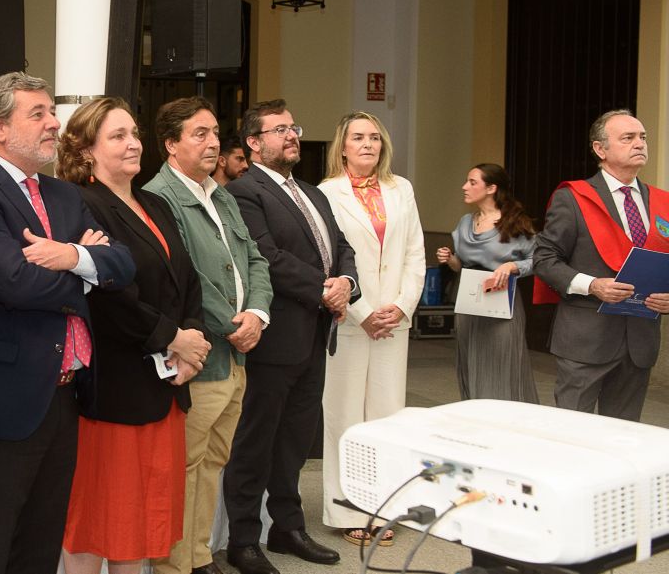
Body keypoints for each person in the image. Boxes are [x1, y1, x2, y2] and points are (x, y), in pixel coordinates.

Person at [0, 72, 134, 574]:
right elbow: (15, 283)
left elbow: (122, 264)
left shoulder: (64, 196)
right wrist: (86, 266)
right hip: (0, 398)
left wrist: (67, 256)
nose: (55, 123)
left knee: (41, 542)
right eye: (39, 114)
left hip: (65, 394)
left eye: (52, 111)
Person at [56, 96, 209, 574]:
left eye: (134, 133)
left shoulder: (154, 202)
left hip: (165, 387)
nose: (132, 143)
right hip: (114, 389)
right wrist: (171, 338)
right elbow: (105, 295)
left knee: (143, 520)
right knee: (100, 518)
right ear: (86, 150)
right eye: (117, 136)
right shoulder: (81, 203)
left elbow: (188, 279)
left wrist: (193, 341)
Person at [223, 100, 357, 574]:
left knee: (296, 440)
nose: (292, 136)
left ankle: (287, 527)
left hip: (314, 336)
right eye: (279, 130)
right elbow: (267, 256)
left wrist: (347, 284)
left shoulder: (313, 193)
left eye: (293, 127)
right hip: (274, 337)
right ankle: (243, 538)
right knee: (256, 440)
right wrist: (324, 290)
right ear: (254, 143)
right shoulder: (244, 192)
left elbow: (341, 247)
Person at [144, 96, 274, 574]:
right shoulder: (160, 197)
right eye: (199, 133)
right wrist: (233, 325)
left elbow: (255, 261)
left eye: (216, 132)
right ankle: (176, 564)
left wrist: (257, 312)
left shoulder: (220, 194)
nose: (214, 142)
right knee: (185, 468)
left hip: (236, 358)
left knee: (213, 463)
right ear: (171, 144)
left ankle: (199, 556)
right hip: (202, 360)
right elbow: (188, 276)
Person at [318, 111, 424, 546]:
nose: (368, 145)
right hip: (350, 320)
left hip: (392, 323)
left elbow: (414, 255)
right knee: (344, 416)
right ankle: (345, 510)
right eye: (358, 138)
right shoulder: (326, 193)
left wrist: (399, 307)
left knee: (386, 418)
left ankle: (382, 507)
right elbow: (330, 258)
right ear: (342, 146)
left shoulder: (403, 190)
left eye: (375, 138)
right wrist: (363, 312)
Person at [533, 110, 669, 421]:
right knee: (573, 434)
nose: (639, 143)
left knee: (622, 436)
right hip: (586, 339)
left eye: (643, 137)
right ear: (600, 149)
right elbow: (544, 259)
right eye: (628, 137)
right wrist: (592, 285)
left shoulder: (662, 201)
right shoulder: (574, 198)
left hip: (640, 341)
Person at [436, 163, 539, 403]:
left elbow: (538, 260)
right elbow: (461, 264)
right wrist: (450, 259)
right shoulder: (465, 222)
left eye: (472, 182)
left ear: (491, 188)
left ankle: (508, 423)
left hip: (501, 304)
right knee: (470, 362)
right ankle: (476, 419)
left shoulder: (515, 222)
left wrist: (512, 266)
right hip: (470, 303)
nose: (465, 187)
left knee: (504, 366)